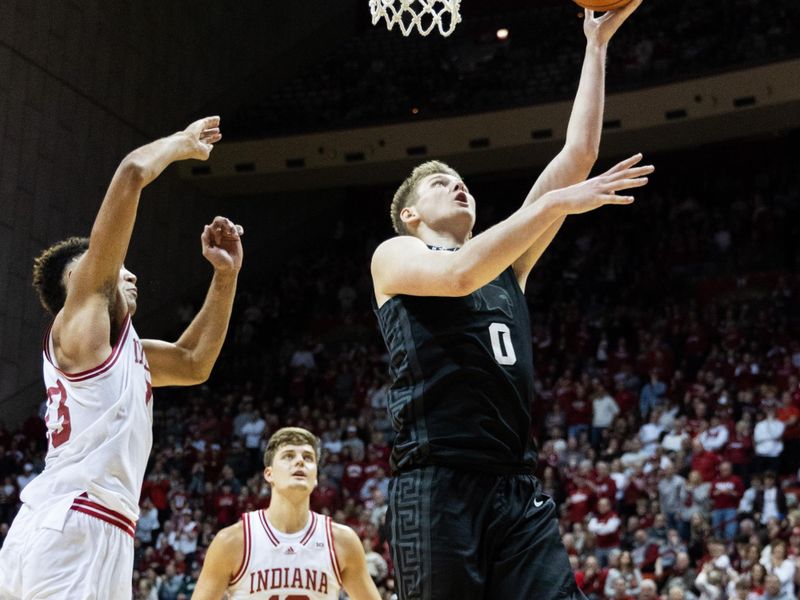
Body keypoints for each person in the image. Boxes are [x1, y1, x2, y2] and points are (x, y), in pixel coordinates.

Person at [370, 3, 649, 598]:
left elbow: (577, 158)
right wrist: (552, 207)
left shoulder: (508, 266)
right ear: (411, 213)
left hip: (516, 487)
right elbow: (459, 277)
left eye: (460, 178)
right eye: (439, 182)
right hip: (439, 485)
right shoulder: (394, 256)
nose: (457, 182)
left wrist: (595, 48)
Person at [0, 117, 241, 600]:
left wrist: (225, 276)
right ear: (76, 284)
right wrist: (179, 144)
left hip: (94, 524)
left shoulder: (123, 352)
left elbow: (194, 361)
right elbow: (132, 172)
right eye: (103, 265)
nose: (124, 271)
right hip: (74, 523)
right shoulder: (80, 325)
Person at [192, 427, 380, 599]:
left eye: (308, 458)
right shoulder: (232, 541)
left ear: (315, 477)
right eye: (288, 456)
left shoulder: (342, 541)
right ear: (269, 474)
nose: (299, 461)